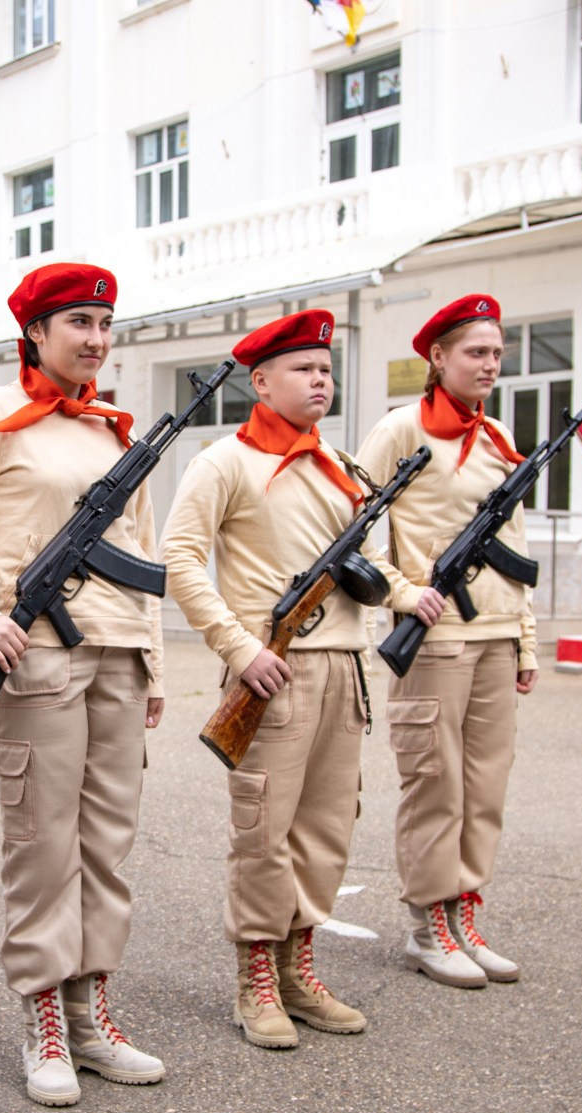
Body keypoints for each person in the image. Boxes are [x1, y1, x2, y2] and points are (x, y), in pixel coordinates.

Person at [0, 263, 165, 1108]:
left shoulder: (115, 428)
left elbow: (147, 551)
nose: (94, 338)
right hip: (37, 660)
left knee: (107, 845)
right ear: (37, 332)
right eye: (78, 322)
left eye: (103, 323)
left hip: (117, 653)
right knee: (43, 845)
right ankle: (45, 1016)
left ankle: (93, 1013)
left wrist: (152, 659)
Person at [162, 309, 394, 1048]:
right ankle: (255, 977)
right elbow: (180, 558)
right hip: (272, 671)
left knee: (326, 827)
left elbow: (375, 568)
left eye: (326, 368)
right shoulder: (224, 462)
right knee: (264, 828)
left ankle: (299, 968)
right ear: (260, 381)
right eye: (304, 368)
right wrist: (237, 647)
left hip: (344, 669)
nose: (321, 379)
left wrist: (396, 587)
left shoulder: (346, 469)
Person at [356, 294, 536, 989]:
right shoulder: (401, 431)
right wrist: (401, 592)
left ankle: (464, 912)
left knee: (484, 786)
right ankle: (428, 924)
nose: (490, 364)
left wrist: (526, 641)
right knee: (436, 783)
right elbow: (362, 524)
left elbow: (514, 545)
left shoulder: (496, 438)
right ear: (437, 357)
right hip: (433, 638)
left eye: (496, 352)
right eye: (475, 352)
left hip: (493, 632)